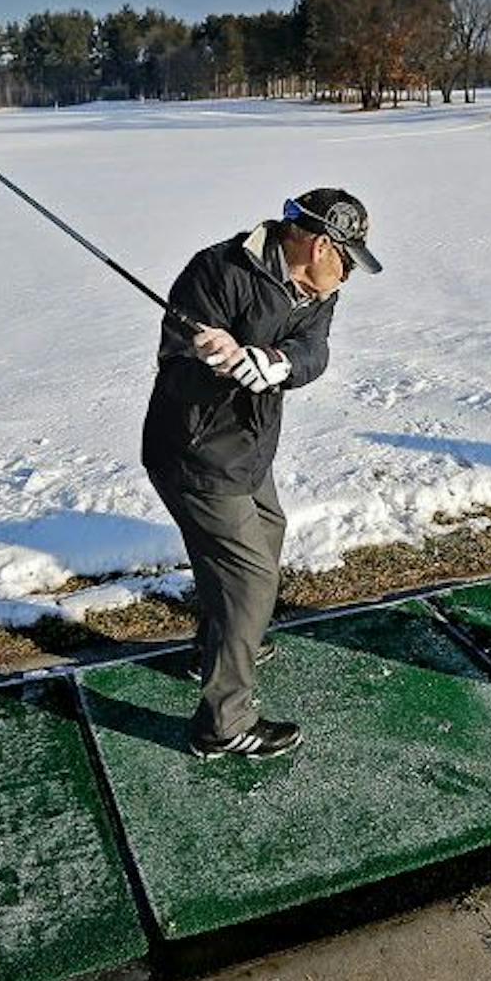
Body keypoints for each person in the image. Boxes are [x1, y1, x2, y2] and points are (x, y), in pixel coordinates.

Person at [142, 188, 382, 759]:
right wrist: (212, 354)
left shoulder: (319, 287)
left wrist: (275, 362)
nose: (348, 274)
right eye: (346, 259)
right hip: (196, 453)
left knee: (267, 534)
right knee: (249, 578)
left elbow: (313, 350)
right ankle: (223, 724)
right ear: (322, 244)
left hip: (249, 449)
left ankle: (223, 641)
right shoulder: (218, 270)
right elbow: (175, 356)